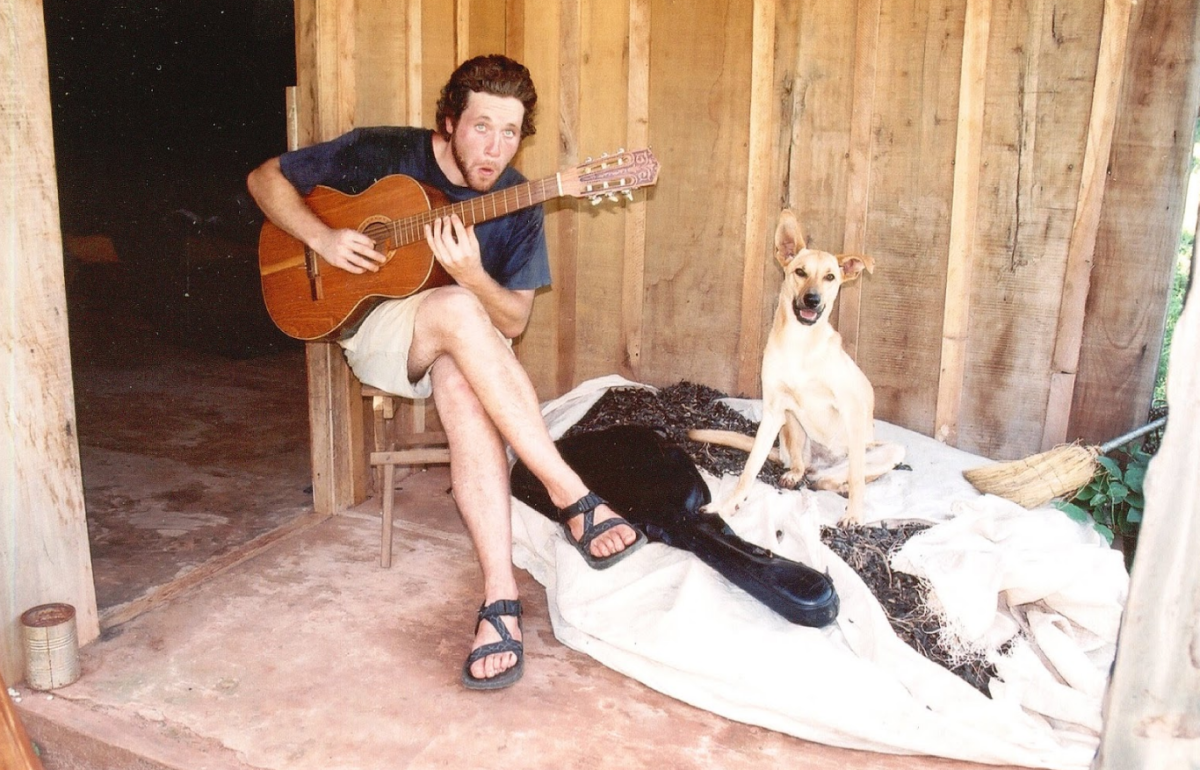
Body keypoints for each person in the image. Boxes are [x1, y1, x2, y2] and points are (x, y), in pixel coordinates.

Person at [246, 54, 646, 690]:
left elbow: (512, 322)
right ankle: (568, 490)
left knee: (462, 371)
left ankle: (500, 603)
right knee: (459, 312)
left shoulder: (519, 200)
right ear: (450, 122)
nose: (495, 147)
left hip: (463, 333)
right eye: (482, 127)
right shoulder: (380, 151)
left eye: (510, 132)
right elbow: (266, 179)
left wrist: (471, 275)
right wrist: (323, 241)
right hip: (372, 327)